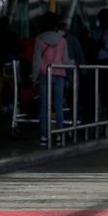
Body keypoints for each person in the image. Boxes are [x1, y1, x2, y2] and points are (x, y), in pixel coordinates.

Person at [31, 11, 72, 147]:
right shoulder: (62, 41)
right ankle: (59, 135)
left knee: (44, 106)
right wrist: (74, 64)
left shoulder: (39, 39)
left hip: (44, 76)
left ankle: (44, 136)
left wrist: (33, 77)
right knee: (58, 105)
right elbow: (65, 61)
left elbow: (37, 61)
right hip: (59, 75)